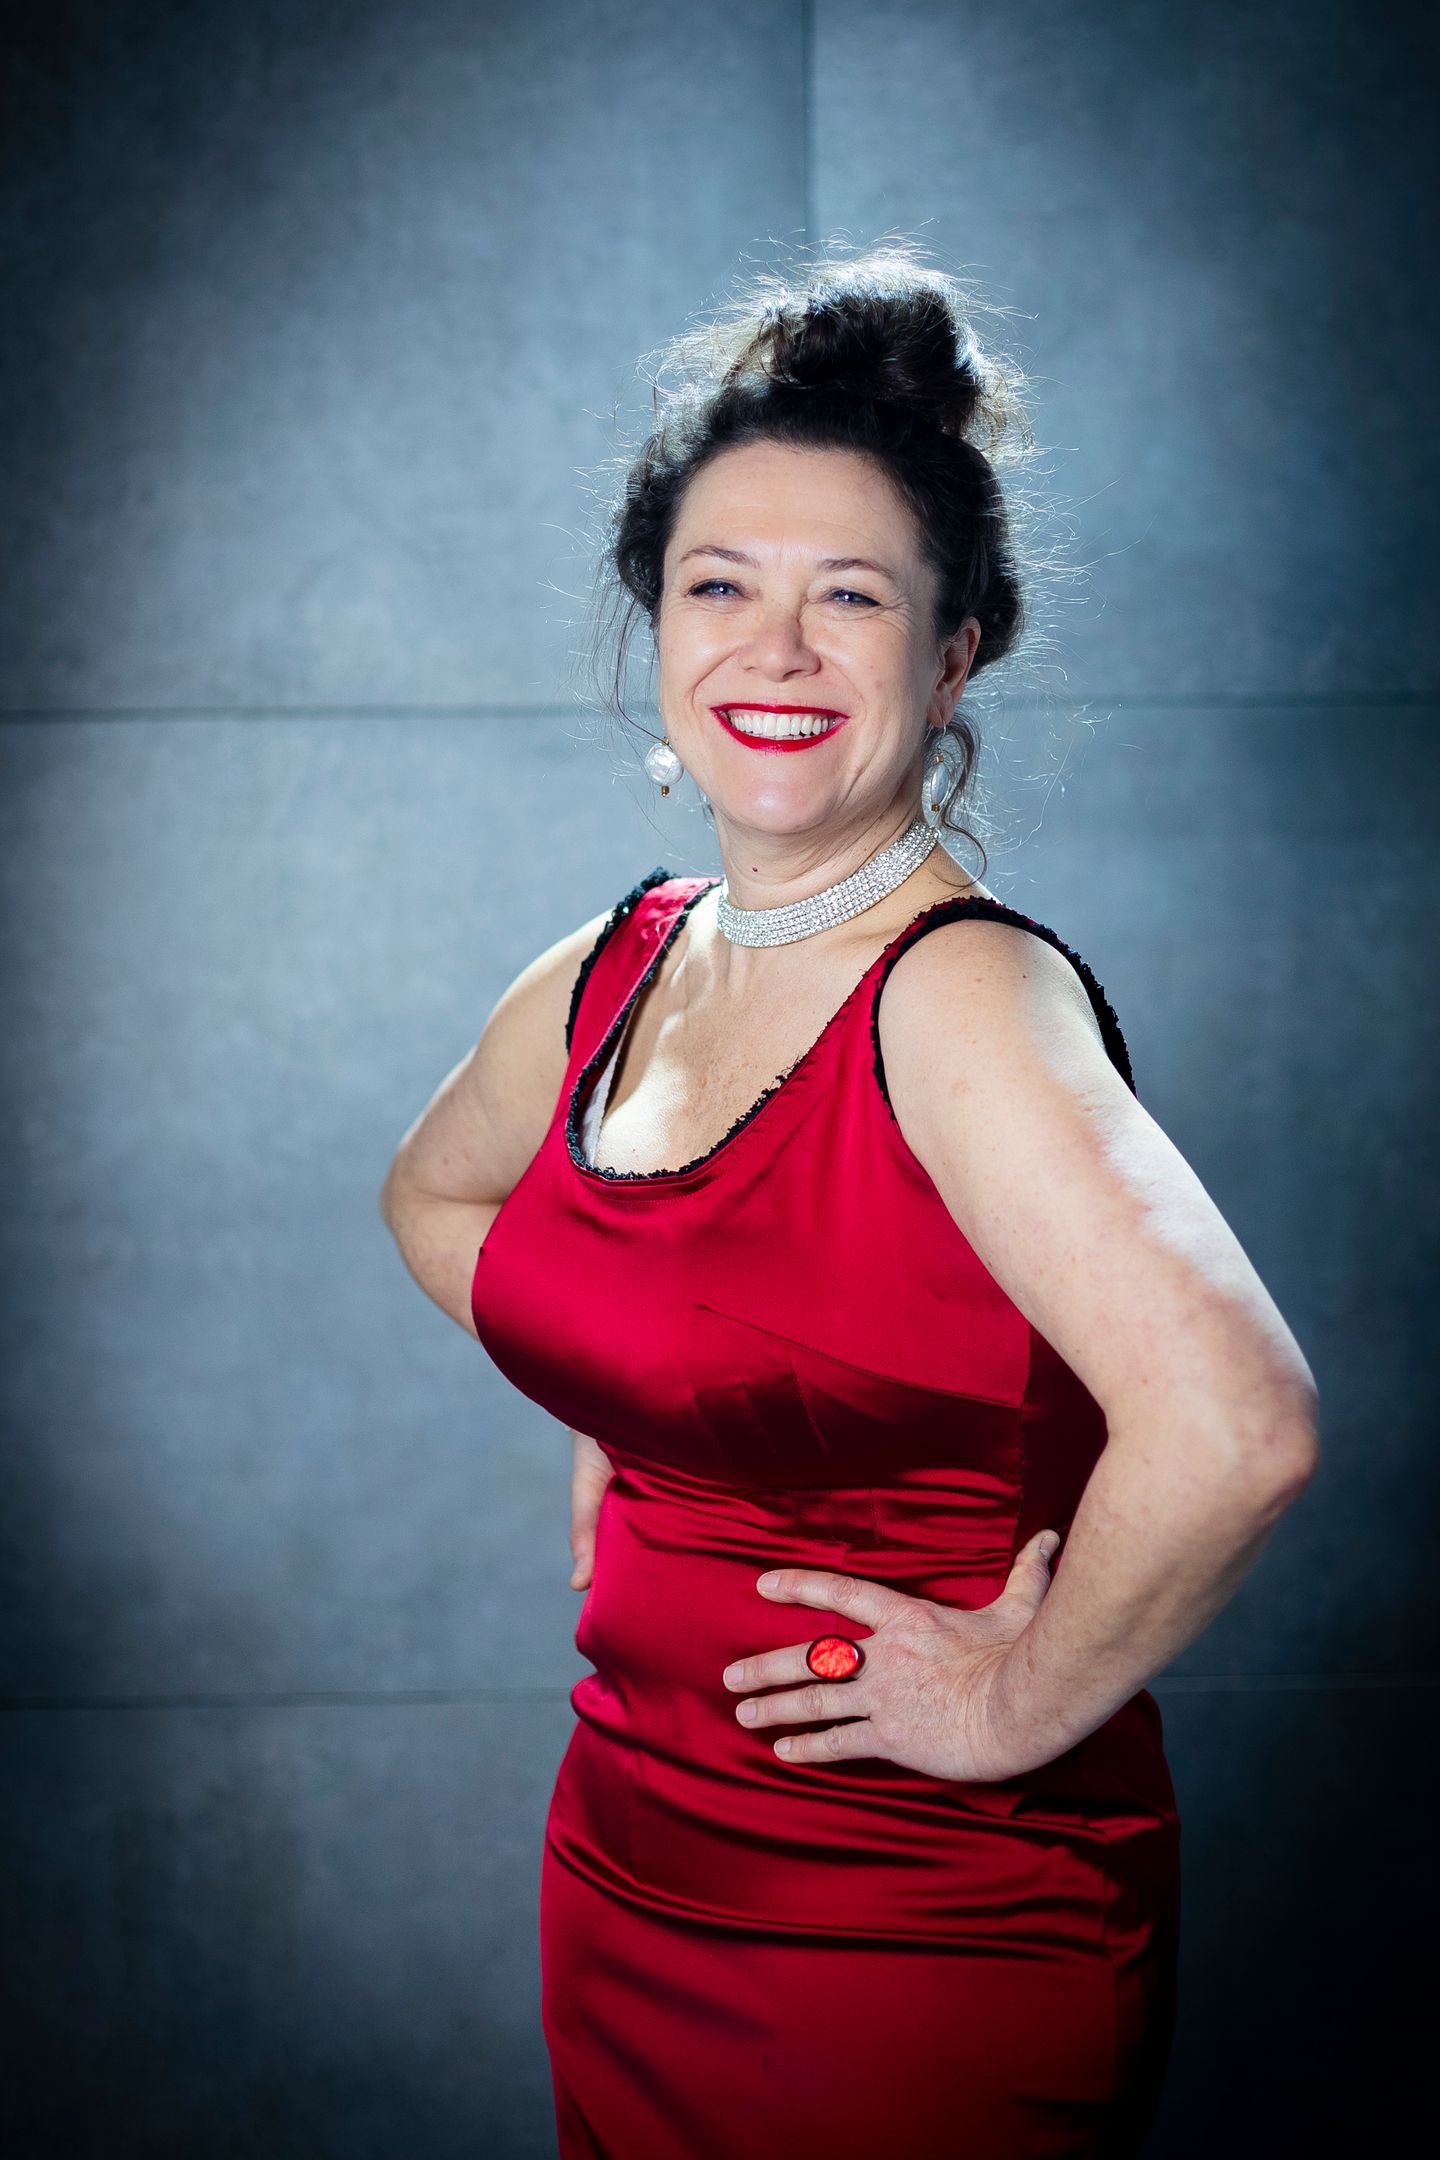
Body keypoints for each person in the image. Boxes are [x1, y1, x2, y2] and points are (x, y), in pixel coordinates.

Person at [379, 244, 1320, 2159]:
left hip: (916, 1918)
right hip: (629, 1861)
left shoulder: (962, 997)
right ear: (656, 621)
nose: (777, 650)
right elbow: (437, 1200)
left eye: (853, 597)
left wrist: (1008, 1704)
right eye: (720, 585)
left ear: (954, 652)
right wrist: (640, 1395)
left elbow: (1239, 1428)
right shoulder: (617, 964)